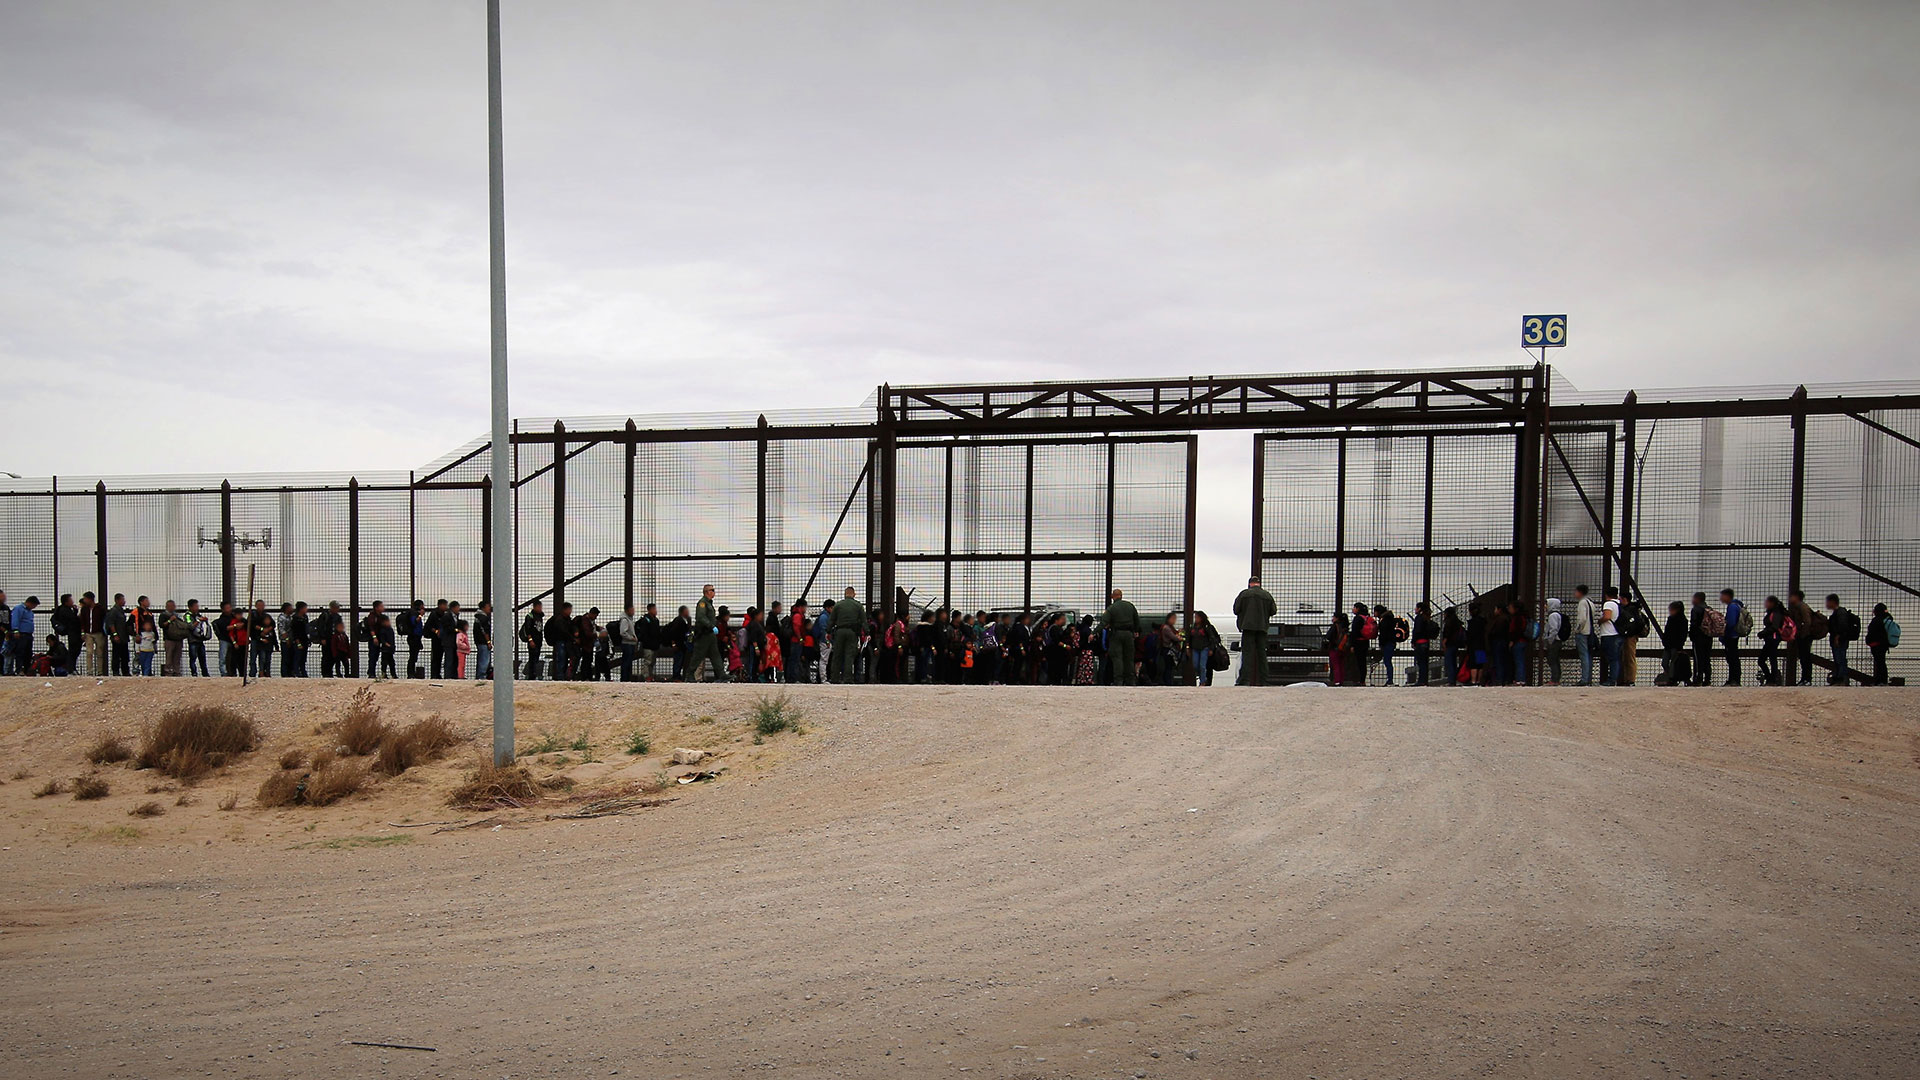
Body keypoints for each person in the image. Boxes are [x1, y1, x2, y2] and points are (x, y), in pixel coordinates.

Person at [1233, 577, 1276, 687]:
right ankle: (1264, 680)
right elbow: (1273, 611)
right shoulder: (1267, 595)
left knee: (1247, 653)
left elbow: (1236, 610)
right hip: (1262, 627)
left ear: (1249, 584)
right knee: (1262, 654)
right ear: (1259, 584)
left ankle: (1245, 679)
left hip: (1248, 627)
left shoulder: (1244, 594)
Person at [1100, 589, 1141, 686]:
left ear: (1112, 596)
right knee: (1129, 658)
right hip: (1129, 635)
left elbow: (1104, 622)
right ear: (1121, 596)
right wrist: (1136, 631)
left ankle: (1118, 681)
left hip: (1116, 634)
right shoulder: (1130, 606)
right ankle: (1131, 681)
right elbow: (1137, 620)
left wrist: (1093, 633)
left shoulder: (1111, 608)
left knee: (1117, 658)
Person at [686, 586, 724, 683]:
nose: (714, 592)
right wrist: (711, 626)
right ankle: (690, 674)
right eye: (712, 590)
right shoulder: (702, 603)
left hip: (710, 634)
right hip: (704, 634)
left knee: (715, 655)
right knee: (698, 655)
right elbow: (701, 617)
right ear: (707, 592)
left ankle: (722, 675)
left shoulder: (709, 603)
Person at [828, 587, 865, 683]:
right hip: (852, 632)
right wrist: (867, 632)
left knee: (837, 655)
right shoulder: (858, 606)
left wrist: (828, 631)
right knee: (849, 655)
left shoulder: (838, 605)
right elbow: (863, 621)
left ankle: (835, 678)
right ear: (854, 594)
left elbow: (831, 620)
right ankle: (848, 678)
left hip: (839, 631)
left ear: (845, 594)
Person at [1824, 594, 1859, 685]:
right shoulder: (1839, 612)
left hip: (1840, 639)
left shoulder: (1840, 612)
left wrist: (1838, 636)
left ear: (1832, 602)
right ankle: (1840, 678)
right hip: (1840, 639)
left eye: (1828, 601)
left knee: (1840, 659)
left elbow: (1842, 626)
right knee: (1839, 658)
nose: (1826, 604)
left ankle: (1841, 678)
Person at [1785, 590, 1817, 686]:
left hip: (1805, 636)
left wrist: (1803, 634)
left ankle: (1807, 679)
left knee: (1805, 657)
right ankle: (1805, 678)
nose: (1790, 598)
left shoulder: (1801, 606)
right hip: (1802, 635)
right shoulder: (1797, 607)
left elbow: (1807, 621)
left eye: (1792, 596)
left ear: (1797, 597)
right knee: (1803, 657)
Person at [1658, 600, 1691, 686]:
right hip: (1668, 645)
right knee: (1665, 662)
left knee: (1673, 663)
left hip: (1675, 646)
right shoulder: (1671, 619)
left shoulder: (1682, 620)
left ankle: (1672, 678)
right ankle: (1669, 676)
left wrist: (1679, 644)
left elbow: (1682, 634)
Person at [1570, 585, 1597, 686]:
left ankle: (1584, 679)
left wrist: (1577, 630)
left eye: (1576, 591)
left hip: (1583, 632)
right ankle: (1588, 677)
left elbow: (1582, 619)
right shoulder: (1591, 602)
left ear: (1580, 592)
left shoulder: (1582, 603)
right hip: (1590, 632)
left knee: (1583, 655)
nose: (1574, 594)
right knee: (1588, 655)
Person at [1188, 610, 1223, 686]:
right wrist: (1188, 647)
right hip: (1195, 648)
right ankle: (1202, 678)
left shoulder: (1207, 627)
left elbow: (1212, 638)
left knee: (1202, 665)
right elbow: (1189, 638)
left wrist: (1211, 648)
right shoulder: (1193, 627)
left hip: (1204, 648)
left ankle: (1203, 681)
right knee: (1195, 665)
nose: (1196, 619)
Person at [1758, 595, 1786, 686]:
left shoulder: (1776, 613)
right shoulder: (1772, 613)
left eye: (1767, 602)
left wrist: (1763, 633)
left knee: (1769, 659)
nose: (1765, 604)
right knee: (1769, 659)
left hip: (1773, 638)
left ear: (1772, 603)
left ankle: (1772, 679)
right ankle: (1771, 679)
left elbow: (1775, 627)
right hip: (1770, 638)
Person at [1720, 589, 1745, 686]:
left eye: (1722, 596)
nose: (1721, 598)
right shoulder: (1736, 606)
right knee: (1733, 658)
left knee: (1732, 658)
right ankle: (1734, 679)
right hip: (1734, 635)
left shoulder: (1732, 607)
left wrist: (1724, 633)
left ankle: (1734, 679)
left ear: (1727, 596)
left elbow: (1731, 623)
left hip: (1731, 636)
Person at [545, 601, 576, 681]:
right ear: (565, 610)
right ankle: (560, 677)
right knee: (562, 659)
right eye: (569, 609)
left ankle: (561, 676)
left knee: (563, 659)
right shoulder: (560, 620)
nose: (570, 611)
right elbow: (563, 631)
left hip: (562, 641)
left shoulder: (564, 619)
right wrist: (572, 638)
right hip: (560, 641)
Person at [1688, 592, 1714, 687]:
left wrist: (1691, 634)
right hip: (1708, 636)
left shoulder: (1696, 609)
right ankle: (1707, 679)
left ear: (1698, 599)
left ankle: (1698, 679)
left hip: (1698, 637)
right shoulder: (1709, 609)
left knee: (1698, 658)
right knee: (1707, 658)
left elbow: (1694, 624)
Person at [1598, 587, 1622, 686]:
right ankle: (1614, 678)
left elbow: (1607, 616)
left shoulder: (1608, 604)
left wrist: (1599, 621)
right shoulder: (1620, 604)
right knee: (1615, 658)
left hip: (1609, 634)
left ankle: (1612, 680)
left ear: (1606, 595)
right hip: (1618, 634)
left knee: (1612, 658)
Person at [1864, 603, 1893, 685]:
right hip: (1883, 644)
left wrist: (1868, 640)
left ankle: (1880, 681)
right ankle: (1882, 681)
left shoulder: (1876, 620)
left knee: (1879, 663)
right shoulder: (1887, 619)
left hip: (1876, 644)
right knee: (1881, 662)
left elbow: (1872, 632)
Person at [9, 596, 38, 674]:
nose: (34, 607)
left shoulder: (30, 612)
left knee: (28, 653)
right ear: (30, 603)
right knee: (20, 652)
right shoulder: (18, 609)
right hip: (21, 634)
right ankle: (19, 669)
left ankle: (26, 669)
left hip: (28, 634)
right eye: (34, 605)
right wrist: (15, 630)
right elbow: (15, 619)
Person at [160, 600, 190, 676]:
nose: (172, 607)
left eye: (173, 606)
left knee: (177, 657)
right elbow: (162, 625)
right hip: (169, 639)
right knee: (169, 656)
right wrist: (170, 620)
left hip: (178, 639)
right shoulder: (163, 615)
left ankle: (177, 671)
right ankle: (168, 671)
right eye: (170, 606)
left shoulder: (177, 616)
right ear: (167, 606)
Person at [247, 600, 276, 679]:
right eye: (259, 605)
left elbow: (273, 624)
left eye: (262, 605)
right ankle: (252, 673)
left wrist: (267, 629)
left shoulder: (266, 615)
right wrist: (262, 629)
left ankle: (262, 672)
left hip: (264, 640)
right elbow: (252, 625)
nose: (261, 607)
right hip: (254, 638)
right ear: (256, 606)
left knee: (263, 658)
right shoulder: (252, 615)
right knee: (253, 657)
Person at [1373, 605, 1399, 686]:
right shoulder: (1389, 618)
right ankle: (1390, 679)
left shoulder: (1384, 620)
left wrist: (1382, 643)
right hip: (1390, 642)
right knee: (1388, 661)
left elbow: (1384, 633)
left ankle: (1390, 680)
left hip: (1387, 643)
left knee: (1387, 661)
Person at [426, 599, 451, 680]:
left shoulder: (446, 614)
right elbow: (428, 626)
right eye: (445, 605)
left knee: (441, 657)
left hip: (444, 639)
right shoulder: (434, 614)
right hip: (436, 639)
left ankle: (438, 674)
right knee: (436, 657)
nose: (446, 607)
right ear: (440, 605)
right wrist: (436, 631)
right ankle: (434, 674)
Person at [519, 600, 545, 680]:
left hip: (538, 640)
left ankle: (534, 674)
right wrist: (530, 640)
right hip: (532, 640)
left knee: (536, 657)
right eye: (539, 607)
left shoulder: (540, 616)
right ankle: (531, 675)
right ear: (535, 607)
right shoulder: (530, 616)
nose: (540, 608)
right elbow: (528, 629)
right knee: (532, 658)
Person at [1541, 598, 1564, 685]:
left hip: (1554, 641)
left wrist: (1550, 640)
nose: (1545, 606)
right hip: (1557, 641)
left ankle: (1554, 679)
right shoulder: (1557, 615)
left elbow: (1554, 629)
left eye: (1546, 604)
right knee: (1555, 660)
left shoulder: (1553, 615)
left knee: (1552, 660)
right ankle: (1556, 678)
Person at [82, 591, 105, 677]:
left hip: (98, 632)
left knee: (99, 653)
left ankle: (100, 671)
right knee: (89, 652)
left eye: (85, 599)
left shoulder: (100, 609)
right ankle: (89, 672)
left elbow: (104, 620)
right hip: (88, 633)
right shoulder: (84, 609)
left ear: (90, 599)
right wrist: (83, 632)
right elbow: (82, 621)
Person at [186, 600, 212, 677]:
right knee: (193, 658)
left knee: (203, 658)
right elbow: (190, 626)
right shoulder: (187, 616)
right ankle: (194, 673)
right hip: (192, 641)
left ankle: (205, 673)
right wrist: (198, 620)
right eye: (195, 606)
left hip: (200, 640)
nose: (197, 608)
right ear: (190, 607)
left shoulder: (198, 615)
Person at [404, 600, 428, 678]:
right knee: (412, 656)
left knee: (414, 656)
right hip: (413, 637)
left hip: (417, 637)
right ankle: (410, 673)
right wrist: (420, 615)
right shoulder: (413, 613)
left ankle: (412, 673)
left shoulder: (414, 613)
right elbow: (414, 622)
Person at [287, 601, 311, 677]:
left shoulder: (305, 617)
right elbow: (295, 632)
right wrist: (298, 643)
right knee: (297, 657)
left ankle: (303, 672)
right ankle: (296, 672)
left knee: (303, 658)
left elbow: (306, 629)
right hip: (298, 641)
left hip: (305, 639)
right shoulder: (295, 619)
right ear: (301, 609)